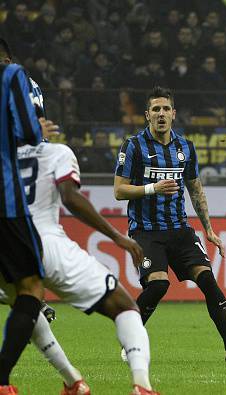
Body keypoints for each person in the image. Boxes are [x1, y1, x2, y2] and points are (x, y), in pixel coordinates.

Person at [1, 140, 159, 395]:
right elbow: (70, 197)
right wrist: (116, 235)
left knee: (25, 306)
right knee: (125, 306)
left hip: (8, 249)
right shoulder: (56, 151)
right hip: (46, 242)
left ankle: (72, 381)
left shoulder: (4, 156)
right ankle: (142, 385)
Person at [114, 86, 226, 363]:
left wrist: (209, 229)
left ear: (174, 114)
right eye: (156, 109)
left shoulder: (185, 147)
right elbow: (119, 190)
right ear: (147, 115)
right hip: (146, 231)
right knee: (158, 286)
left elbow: (195, 189)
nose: (161, 114)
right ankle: (130, 343)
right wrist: (153, 188)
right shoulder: (133, 146)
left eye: (165, 109)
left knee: (209, 282)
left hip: (180, 230)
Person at [0, 46, 60, 394]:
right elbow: (31, 129)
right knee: (31, 287)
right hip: (8, 191)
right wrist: (37, 131)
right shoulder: (15, 77)